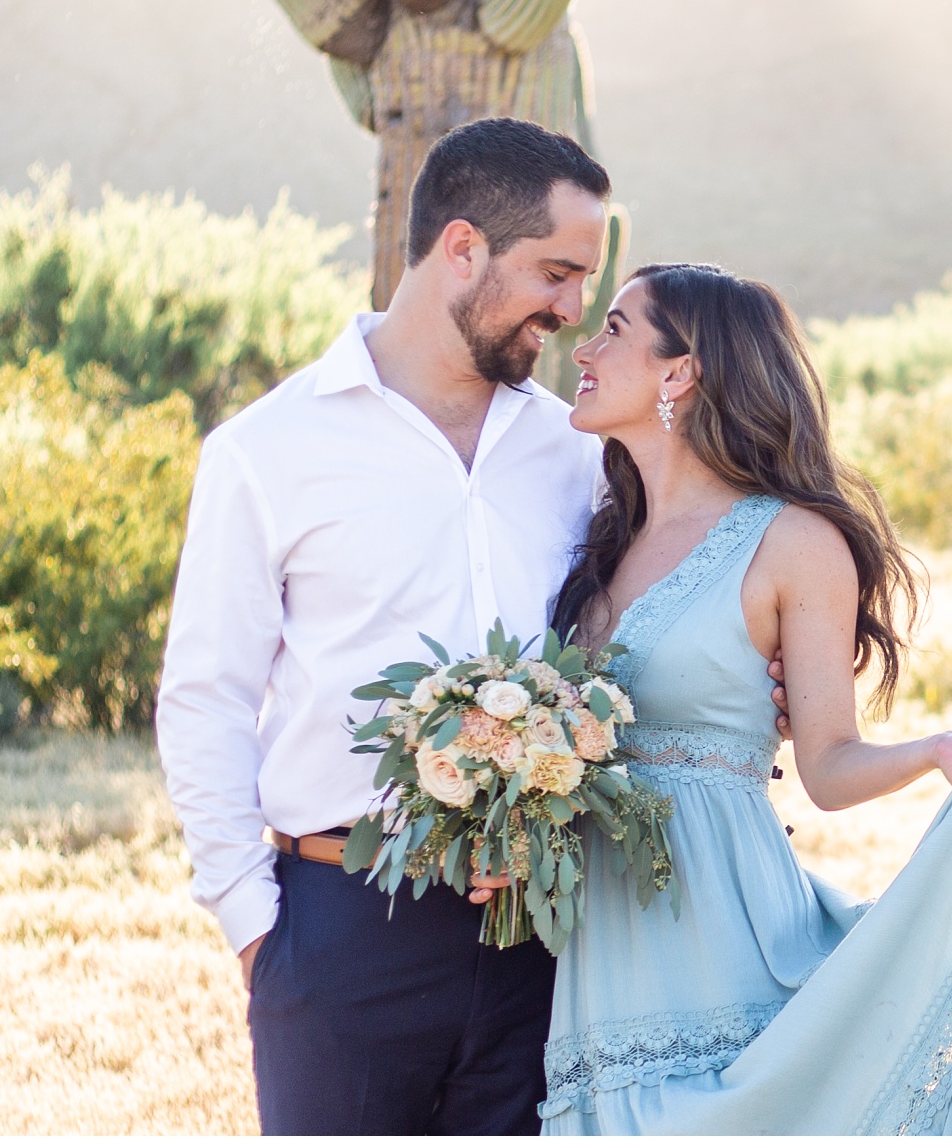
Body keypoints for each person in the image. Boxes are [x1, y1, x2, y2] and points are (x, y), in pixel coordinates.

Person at [539, 263, 952, 1135]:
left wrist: (936, 750)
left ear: (679, 372)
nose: (583, 345)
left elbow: (828, 766)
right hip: (595, 941)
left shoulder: (793, 542)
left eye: (613, 327)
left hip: (721, 927)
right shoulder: (600, 531)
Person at [156, 118, 615, 1134]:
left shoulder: (576, 453)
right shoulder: (268, 448)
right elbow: (207, 695)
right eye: (557, 271)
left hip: (538, 934)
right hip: (341, 922)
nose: (576, 310)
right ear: (462, 248)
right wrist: (256, 928)